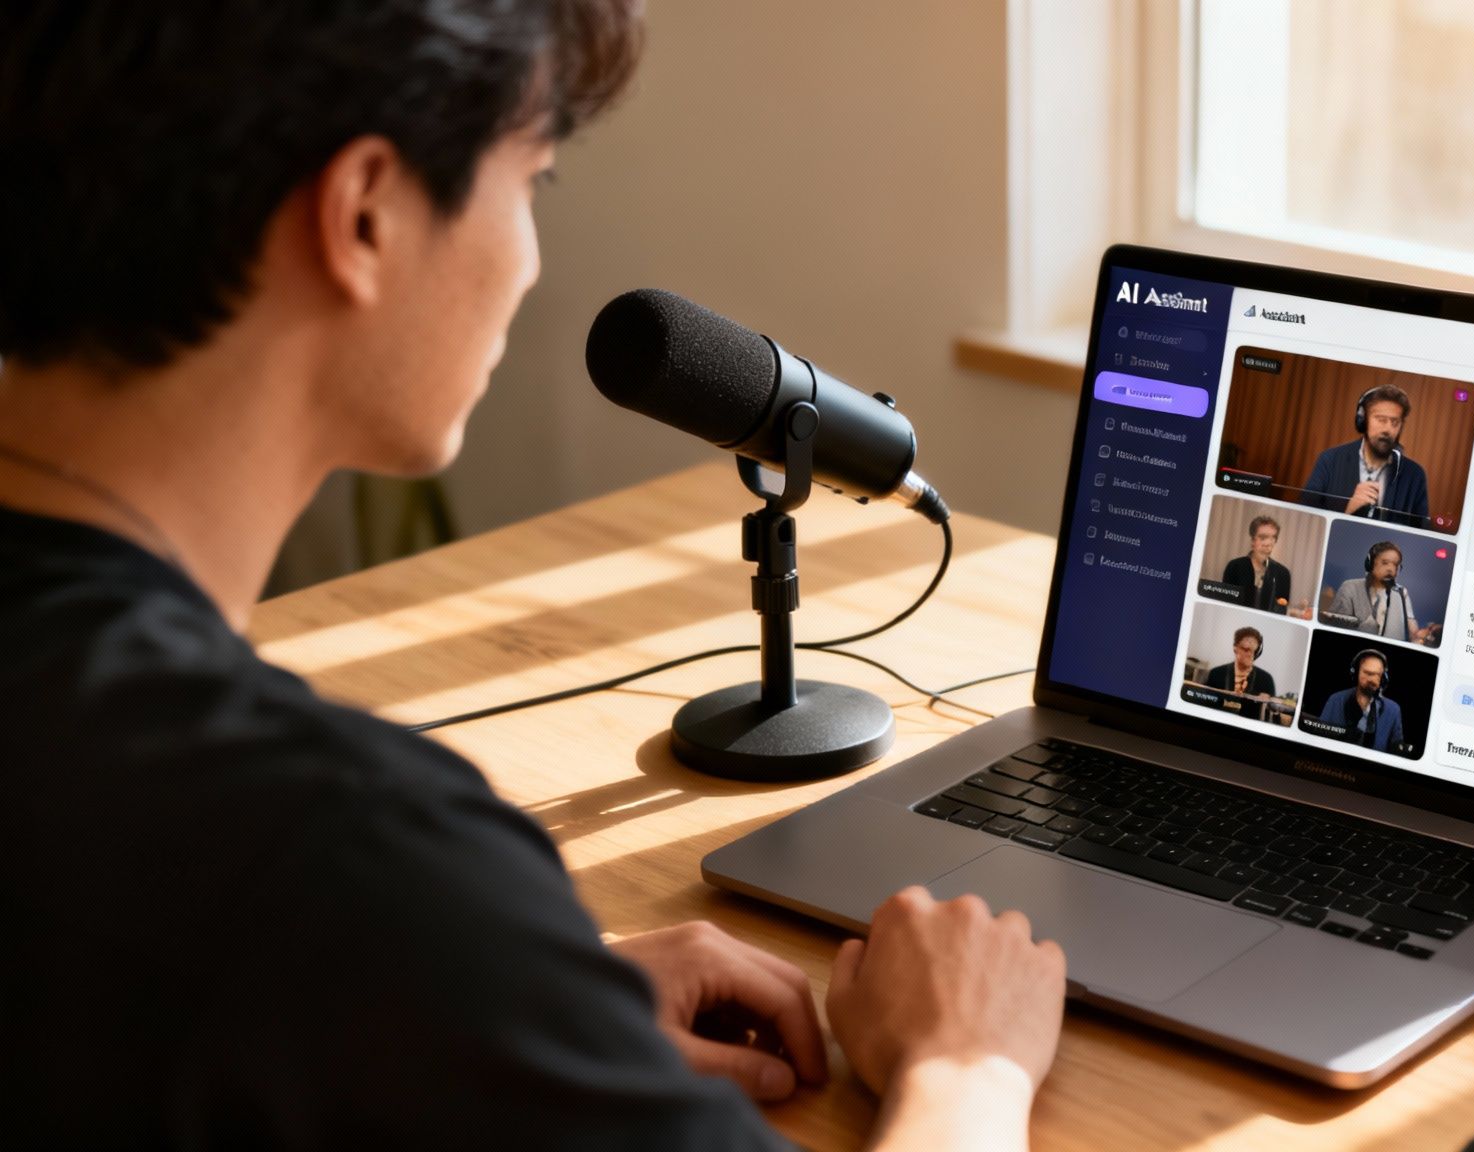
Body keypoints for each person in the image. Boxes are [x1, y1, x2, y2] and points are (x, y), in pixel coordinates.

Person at [0, 4, 1066, 1148]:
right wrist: (966, 1066)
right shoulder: (343, 854)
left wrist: (514, 1006)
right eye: (534, 183)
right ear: (363, 214)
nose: (528, 261)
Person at [1300, 383, 1431, 526]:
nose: (1388, 429)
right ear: (1363, 420)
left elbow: (1421, 532)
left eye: (1395, 422)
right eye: (1381, 420)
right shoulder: (1330, 460)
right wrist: (1346, 511)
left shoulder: (1415, 475)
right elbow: (1304, 519)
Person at [1325, 540, 1442, 646]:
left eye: (1395, 565)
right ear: (1370, 564)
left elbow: (1410, 622)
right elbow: (1335, 626)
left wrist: (1422, 634)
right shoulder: (1350, 587)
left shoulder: (1401, 592)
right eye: (1385, 563)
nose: (1391, 569)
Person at [1316, 650, 1404, 752]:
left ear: (1384, 678)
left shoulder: (1393, 710)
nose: (1372, 679)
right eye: (1367, 673)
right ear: (1356, 672)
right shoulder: (1336, 700)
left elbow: (1397, 751)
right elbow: (1318, 738)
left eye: (1377, 675)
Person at [1217, 514, 1291, 613]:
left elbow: (1281, 610)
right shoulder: (1234, 567)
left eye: (1273, 538)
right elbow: (1225, 605)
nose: (1268, 543)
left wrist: (1292, 612)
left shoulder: (1283, 574)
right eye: (1263, 537)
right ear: (1253, 540)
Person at [1201, 626, 1278, 701]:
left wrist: (1268, 704)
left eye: (1254, 651)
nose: (1250, 655)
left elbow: (1274, 711)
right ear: (1235, 648)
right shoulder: (1216, 674)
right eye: (1246, 650)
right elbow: (1203, 701)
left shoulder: (1266, 680)